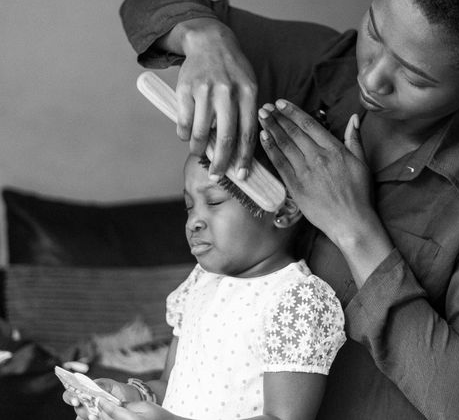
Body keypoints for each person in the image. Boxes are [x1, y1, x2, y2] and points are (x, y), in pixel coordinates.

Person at [118, 0, 459, 419]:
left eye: (414, 77)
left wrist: (355, 229)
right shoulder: (318, 64)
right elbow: (147, 1)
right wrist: (204, 38)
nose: (372, 75)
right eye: (375, 30)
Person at [64, 155, 346, 420]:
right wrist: (126, 396)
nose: (193, 222)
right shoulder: (200, 283)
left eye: (214, 201)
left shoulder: (297, 300)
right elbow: (169, 388)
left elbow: (283, 417)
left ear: (283, 210)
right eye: (189, 206)